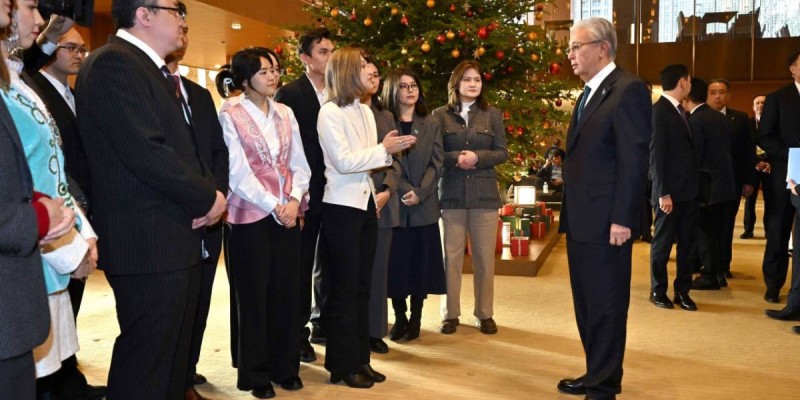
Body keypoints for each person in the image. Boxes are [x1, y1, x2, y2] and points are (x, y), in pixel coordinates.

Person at [75, 1, 227, 398]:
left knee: (171, 361)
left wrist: (210, 194)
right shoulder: (113, 63)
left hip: (171, 235)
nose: (183, 20)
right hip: (147, 239)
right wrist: (206, 198)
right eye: (176, 10)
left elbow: (187, 148)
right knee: (147, 365)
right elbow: (147, 150)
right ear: (144, 14)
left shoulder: (150, 70)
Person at [556, 17, 651, 400]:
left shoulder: (628, 90)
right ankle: (596, 372)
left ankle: (604, 386)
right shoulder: (588, 93)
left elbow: (634, 160)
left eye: (576, 47)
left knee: (607, 305)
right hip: (582, 220)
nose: (570, 54)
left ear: (602, 48)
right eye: (569, 48)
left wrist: (623, 218)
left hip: (608, 222)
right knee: (587, 304)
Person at [20, 18, 107, 400]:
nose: (77, 55)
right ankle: (58, 386)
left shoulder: (77, 93)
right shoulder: (29, 87)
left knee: (69, 307)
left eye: (82, 49)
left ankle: (68, 381)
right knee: (49, 314)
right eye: (68, 47)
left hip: (75, 209)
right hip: (48, 209)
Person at [317, 46, 410, 389]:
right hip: (341, 207)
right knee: (343, 288)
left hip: (365, 204)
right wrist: (384, 149)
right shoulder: (329, 112)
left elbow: (371, 162)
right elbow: (343, 162)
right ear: (345, 72)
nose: (370, 70)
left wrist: (384, 152)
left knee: (361, 287)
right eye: (362, 66)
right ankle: (341, 365)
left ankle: (360, 360)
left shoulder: (366, 112)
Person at [221, 47, 310, 399]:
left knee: (287, 292)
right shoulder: (230, 113)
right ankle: (256, 373)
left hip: (287, 212)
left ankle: (285, 367)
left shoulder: (286, 112)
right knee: (253, 295)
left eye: (275, 69)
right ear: (245, 79)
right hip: (250, 214)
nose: (273, 76)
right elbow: (236, 172)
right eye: (264, 71)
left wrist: (294, 200)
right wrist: (275, 204)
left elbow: (300, 163)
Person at [0, 1, 75, 398]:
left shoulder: (16, 75)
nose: (40, 18)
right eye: (29, 6)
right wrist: (42, 219)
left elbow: (42, 165)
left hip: (24, 264)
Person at [163, 16, 230, 400]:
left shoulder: (199, 95)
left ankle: (186, 374)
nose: (183, 35)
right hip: (173, 216)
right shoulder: (148, 88)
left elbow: (219, 153)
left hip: (211, 216)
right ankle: (173, 378)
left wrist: (216, 198)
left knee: (200, 301)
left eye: (188, 30)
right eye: (180, 27)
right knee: (169, 309)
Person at [434, 60, 508, 336]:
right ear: (456, 83)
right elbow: (435, 153)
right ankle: (450, 314)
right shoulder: (439, 115)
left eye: (477, 79)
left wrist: (477, 157)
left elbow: (502, 152)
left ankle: (484, 313)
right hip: (451, 196)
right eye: (467, 79)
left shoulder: (492, 114)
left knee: (484, 259)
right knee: (450, 258)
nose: (473, 84)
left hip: (484, 197)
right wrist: (457, 158)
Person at [273, 27, 334, 362]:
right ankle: (297, 334)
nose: (330, 57)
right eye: (323, 51)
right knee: (300, 264)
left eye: (332, 51)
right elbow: (284, 150)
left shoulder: (340, 91)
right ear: (305, 58)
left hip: (337, 190)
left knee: (330, 261)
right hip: (305, 193)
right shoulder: (290, 94)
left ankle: (324, 322)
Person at [383, 67, 446, 342]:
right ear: (392, 90)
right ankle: (400, 317)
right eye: (403, 86)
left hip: (424, 204)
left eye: (413, 85)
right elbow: (386, 162)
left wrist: (421, 192)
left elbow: (437, 162)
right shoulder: (385, 122)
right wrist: (405, 189)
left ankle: (417, 317)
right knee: (397, 265)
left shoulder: (430, 122)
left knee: (421, 265)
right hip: (395, 204)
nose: (410, 90)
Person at [648, 64, 698, 311]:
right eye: (689, 80)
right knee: (663, 244)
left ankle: (682, 291)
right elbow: (656, 156)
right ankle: (658, 290)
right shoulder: (659, 111)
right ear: (682, 82)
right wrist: (663, 193)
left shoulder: (681, 111)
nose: (690, 85)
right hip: (668, 194)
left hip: (688, 192)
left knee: (688, 244)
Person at [361, 59, 401, 354]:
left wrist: (386, 190)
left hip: (382, 202)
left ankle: (375, 331)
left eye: (377, 75)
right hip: (353, 198)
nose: (373, 80)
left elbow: (395, 159)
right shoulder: (340, 112)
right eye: (368, 74)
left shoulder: (386, 115)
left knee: (377, 271)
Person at [684, 78, 736, 291]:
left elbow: (695, 156)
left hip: (707, 187)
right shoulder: (719, 117)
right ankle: (719, 273)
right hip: (725, 184)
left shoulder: (696, 120)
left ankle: (709, 275)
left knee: (705, 233)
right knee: (719, 233)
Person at [757, 52, 800, 305]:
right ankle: (773, 284)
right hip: (786, 170)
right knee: (778, 230)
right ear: (792, 69)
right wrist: (791, 155)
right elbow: (765, 136)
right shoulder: (778, 98)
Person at [706, 78, 756, 278]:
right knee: (707, 227)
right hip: (706, 184)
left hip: (733, 182)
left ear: (728, 95)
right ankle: (707, 266)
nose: (718, 96)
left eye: (722, 92)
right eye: (713, 92)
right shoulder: (699, 117)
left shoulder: (740, 118)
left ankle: (723, 265)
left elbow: (748, 151)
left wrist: (749, 180)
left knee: (726, 226)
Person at [741, 94, 769, 239]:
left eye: (763, 103)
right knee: (750, 199)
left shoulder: (774, 124)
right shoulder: (747, 124)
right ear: (753, 107)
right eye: (757, 103)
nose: (760, 105)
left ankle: (769, 230)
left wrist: (769, 162)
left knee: (771, 200)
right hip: (753, 166)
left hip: (770, 166)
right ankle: (748, 229)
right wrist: (755, 162)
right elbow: (744, 146)